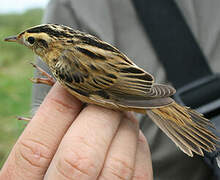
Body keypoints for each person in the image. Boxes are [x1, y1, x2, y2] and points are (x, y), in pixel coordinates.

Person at [1, 0, 220, 179]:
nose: (26, 44)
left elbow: (105, 91)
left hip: (125, 92)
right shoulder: (70, 26)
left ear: (46, 46)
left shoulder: (64, 66)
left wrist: (149, 99)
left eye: (31, 41)